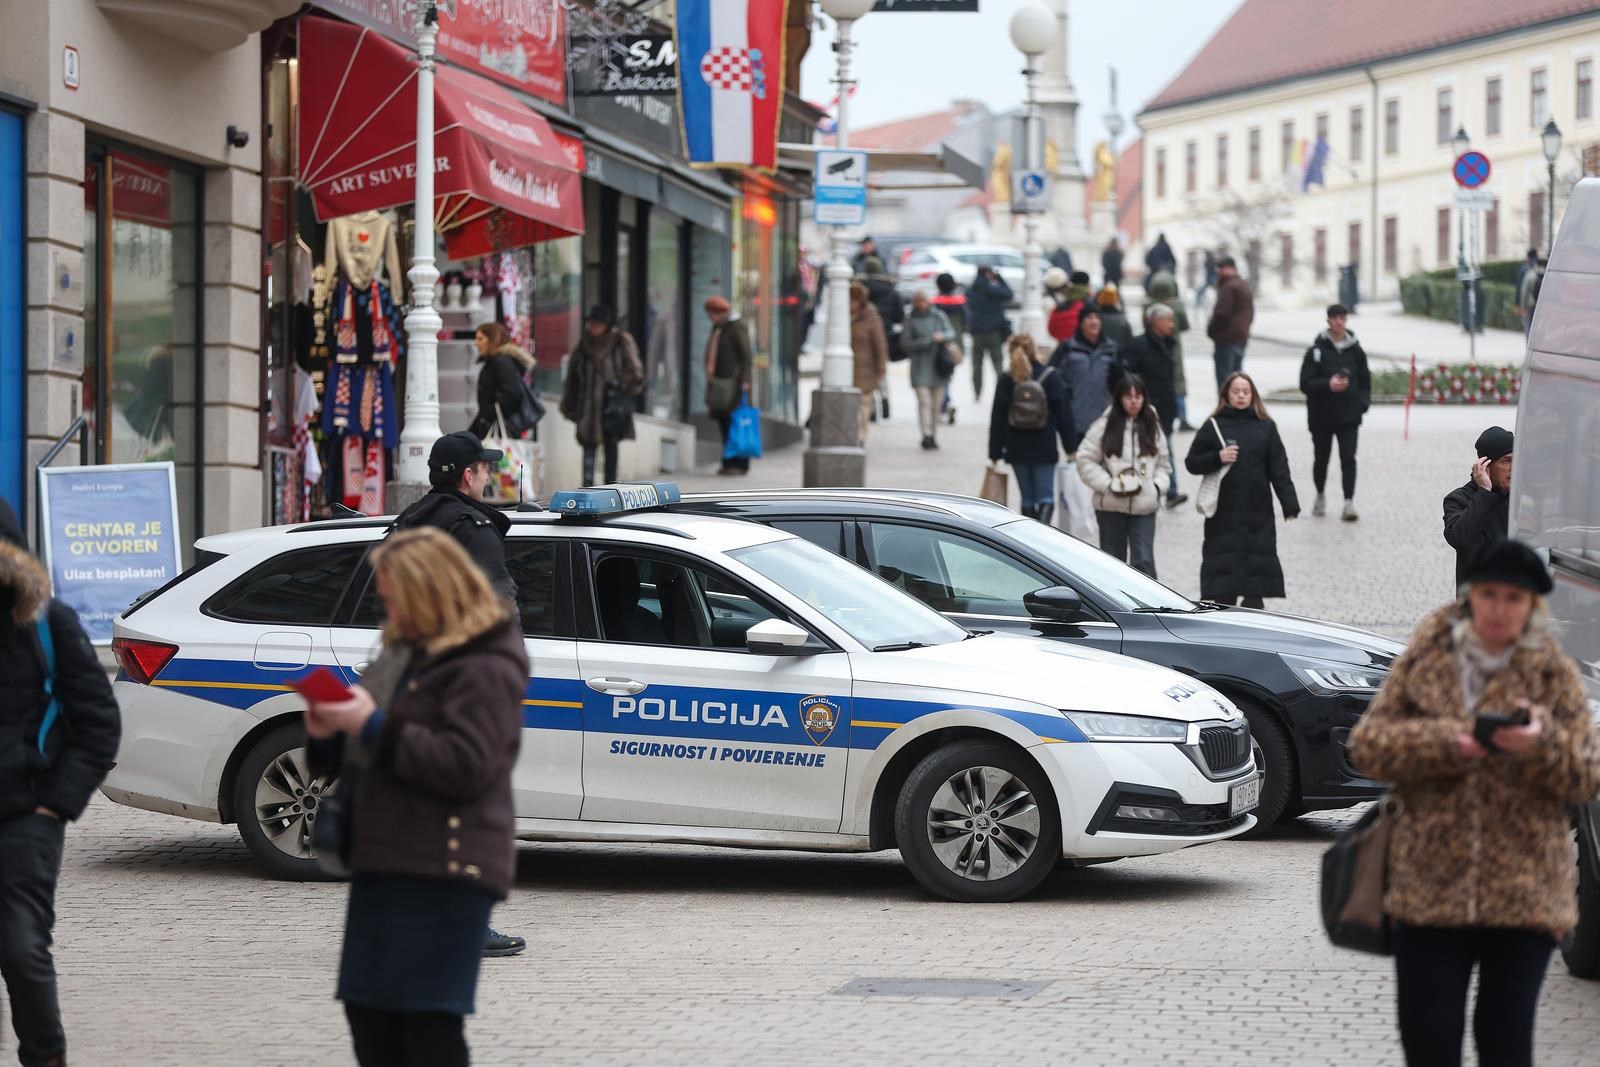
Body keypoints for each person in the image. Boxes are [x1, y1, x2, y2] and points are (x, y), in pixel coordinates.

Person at [1349, 540, 1600, 1067]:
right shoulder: (1430, 650)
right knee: (1429, 1043)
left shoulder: (1552, 668)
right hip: (1429, 889)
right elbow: (1367, 745)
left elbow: (1588, 775)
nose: (1500, 610)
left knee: (1506, 1045)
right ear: (1470, 596)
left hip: (1525, 892)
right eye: (1489, 595)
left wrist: (1542, 745)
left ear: (1533, 604)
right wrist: (1450, 743)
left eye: (1515, 598)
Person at [306, 528, 528, 1067]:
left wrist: (373, 725)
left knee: (426, 1026)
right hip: (384, 858)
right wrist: (326, 731)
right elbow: (342, 760)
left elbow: (466, 766)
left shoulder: (487, 663)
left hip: (447, 867)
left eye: (393, 598)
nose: (387, 609)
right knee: (369, 1015)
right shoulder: (400, 654)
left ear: (432, 592)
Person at [0, 499, 120, 1067]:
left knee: (21, 949)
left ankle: (44, 1057)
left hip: (27, 816)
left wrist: (55, 806)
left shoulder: (48, 624)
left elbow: (99, 724)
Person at [1185, 372, 1299, 608]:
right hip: (1223, 515)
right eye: (1236, 391)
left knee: (1255, 586)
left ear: (1253, 395)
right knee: (1224, 586)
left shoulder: (1266, 427)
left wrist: (1289, 503)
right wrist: (1217, 457)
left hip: (1258, 513)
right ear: (1226, 394)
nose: (1240, 396)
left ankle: (1253, 633)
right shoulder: (1213, 425)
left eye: (1245, 392)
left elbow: (1279, 468)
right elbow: (1192, 462)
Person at [392, 432, 518, 606]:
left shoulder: (406, 520)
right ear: (468, 476)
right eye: (485, 469)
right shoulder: (474, 531)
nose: (487, 477)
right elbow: (500, 613)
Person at [1076, 375, 1171, 578]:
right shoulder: (1105, 425)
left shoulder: (1152, 423)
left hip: (1144, 505)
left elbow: (1164, 464)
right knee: (1111, 564)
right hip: (1111, 506)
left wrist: (1156, 488)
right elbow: (1084, 458)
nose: (1134, 401)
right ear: (1119, 398)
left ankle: (1148, 607)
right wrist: (1108, 484)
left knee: (1144, 562)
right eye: (1128, 396)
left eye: (1138, 396)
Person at [1050, 309, 1119, 540]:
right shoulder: (1067, 348)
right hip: (1076, 421)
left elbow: (1120, 380)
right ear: (1080, 324)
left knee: (1105, 469)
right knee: (1079, 472)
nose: (1093, 321)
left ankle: (1102, 513)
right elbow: (1054, 378)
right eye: (1089, 318)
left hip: (1104, 422)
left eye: (1097, 318)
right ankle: (1080, 517)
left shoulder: (1110, 349)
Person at [989, 334, 1073, 523]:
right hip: (1044, 445)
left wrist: (995, 452)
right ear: (1034, 349)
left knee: (1027, 498)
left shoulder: (1006, 379)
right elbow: (1064, 414)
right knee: (1046, 497)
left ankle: (1027, 539)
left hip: (1017, 447)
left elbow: (998, 418)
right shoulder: (1050, 376)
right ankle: (1041, 537)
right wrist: (1070, 447)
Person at [1299, 303, 1371, 521]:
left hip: (1349, 416)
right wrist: (1327, 385)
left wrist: (1363, 404)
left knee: (1348, 458)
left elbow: (1366, 381)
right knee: (1321, 459)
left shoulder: (1356, 350)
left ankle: (1348, 502)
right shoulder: (1316, 351)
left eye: (1343, 317)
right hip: (1321, 416)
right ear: (1328, 320)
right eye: (1335, 318)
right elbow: (1305, 383)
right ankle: (1320, 495)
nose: (1339, 322)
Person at [559, 305, 643, 486]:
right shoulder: (584, 344)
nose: (593, 327)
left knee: (611, 447)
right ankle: (588, 488)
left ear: (607, 325)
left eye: (597, 324)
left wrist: (618, 385)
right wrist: (570, 405)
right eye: (591, 323)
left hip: (612, 405)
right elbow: (573, 378)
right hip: (588, 407)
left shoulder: (620, 341)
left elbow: (635, 373)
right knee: (588, 446)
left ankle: (610, 487)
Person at [1118, 304, 1187, 509]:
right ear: (1156, 321)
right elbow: (1126, 372)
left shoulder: (1169, 343)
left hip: (1165, 407)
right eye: (1169, 320)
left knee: (1166, 450)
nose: (1172, 325)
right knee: (1145, 451)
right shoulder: (1139, 345)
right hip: (1145, 408)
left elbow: (1169, 380)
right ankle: (1148, 490)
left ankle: (1169, 491)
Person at [1443, 426, 1513, 588]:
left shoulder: (1520, 498)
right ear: (1485, 467)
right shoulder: (1458, 499)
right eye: (1506, 461)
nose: (1513, 467)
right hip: (1477, 598)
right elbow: (1460, 539)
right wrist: (1484, 492)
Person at [702, 295, 753, 476]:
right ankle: (728, 462)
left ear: (720, 312)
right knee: (724, 423)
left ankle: (739, 464)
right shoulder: (719, 328)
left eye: (712, 314)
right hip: (720, 384)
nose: (710, 318)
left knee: (735, 424)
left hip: (734, 386)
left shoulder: (735, 328)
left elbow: (746, 356)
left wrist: (745, 381)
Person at [903, 290, 955, 451]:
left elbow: (951, 332)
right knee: (924, 402)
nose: (921, 305)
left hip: (938, 367)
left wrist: (941, 336)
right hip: (920, 367)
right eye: (918, 301)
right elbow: (905, 343)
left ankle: (933, 434)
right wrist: (925, 342)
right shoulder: (910, 320)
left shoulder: (938, 316)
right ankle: (926, 434)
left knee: (936, 405)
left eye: (923, 301)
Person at [466, 322, 534, 441]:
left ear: (493, 340)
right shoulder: (494, 362)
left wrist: (489, 415)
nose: (476, 343)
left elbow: (512, 394)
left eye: (480, 339)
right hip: (491, 427)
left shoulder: (501, 363)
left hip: (497, 430)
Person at [1143, 268, 1192, 431]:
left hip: (1152, 345)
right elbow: (1185, 326)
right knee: (1178, 381)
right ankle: (1183, 417)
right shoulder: (1177, 305)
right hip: (1174, 346)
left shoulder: (1148, 305)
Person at [849, 282, 889, 442]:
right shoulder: (841, 316)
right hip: (847, 368)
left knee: (863, 404)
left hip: (865, 368)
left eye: (854, 300)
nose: (851, 303)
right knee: (850, 405)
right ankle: (852, 432)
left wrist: (881, 367)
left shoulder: (871, 316)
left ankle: (861, 435)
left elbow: (880, 344)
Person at [965, 265, 1012, 398]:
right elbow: (1009, 294)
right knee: (998, 363)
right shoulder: (994, 289)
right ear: (988, 274)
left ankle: (977, 392)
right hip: (994, 332)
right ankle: (1001, 391)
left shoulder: (971, 291)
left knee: (976, 365)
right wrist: (1000, 279)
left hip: (977, 333)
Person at [1206, 255, 1254, 387]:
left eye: (1221, 268)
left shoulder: (1228, 287)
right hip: (1240, 338)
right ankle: (1236, 407)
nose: (1219, 272)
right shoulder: (1243, 285)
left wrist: (1211, 330)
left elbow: (1222, 313)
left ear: (1230, 269)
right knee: (1237, 381)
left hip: (1226, 339)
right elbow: (1250, 313)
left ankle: (1226, 407)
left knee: (1226, 383)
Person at [932, 272, 967, 425]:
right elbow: (967, 322)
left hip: (939, 344)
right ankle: (946, 402)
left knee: (942, 376)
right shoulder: (960, 302)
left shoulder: (935, 303)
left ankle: (945, 403)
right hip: (956, 344)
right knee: (948, 373)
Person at [858, 256, 905, 365]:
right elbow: (899, 317)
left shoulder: (857, 290)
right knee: (881, 363)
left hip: (861, 334)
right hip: (885, 334)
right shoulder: (892, 291)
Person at [1047, 270, 1092, 344]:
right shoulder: (1092, 305)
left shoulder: (1059, 307)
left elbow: (1052, 330)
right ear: (1088, 285)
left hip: (1064, 347)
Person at [1517, 256, 1546, 336]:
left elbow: (1524, 292)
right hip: (1543, 306)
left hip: (1531, 305)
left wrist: (1522, 307)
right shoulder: (1548, 275)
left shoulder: (1530, 274)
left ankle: (1529, 347)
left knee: (1529, 328)